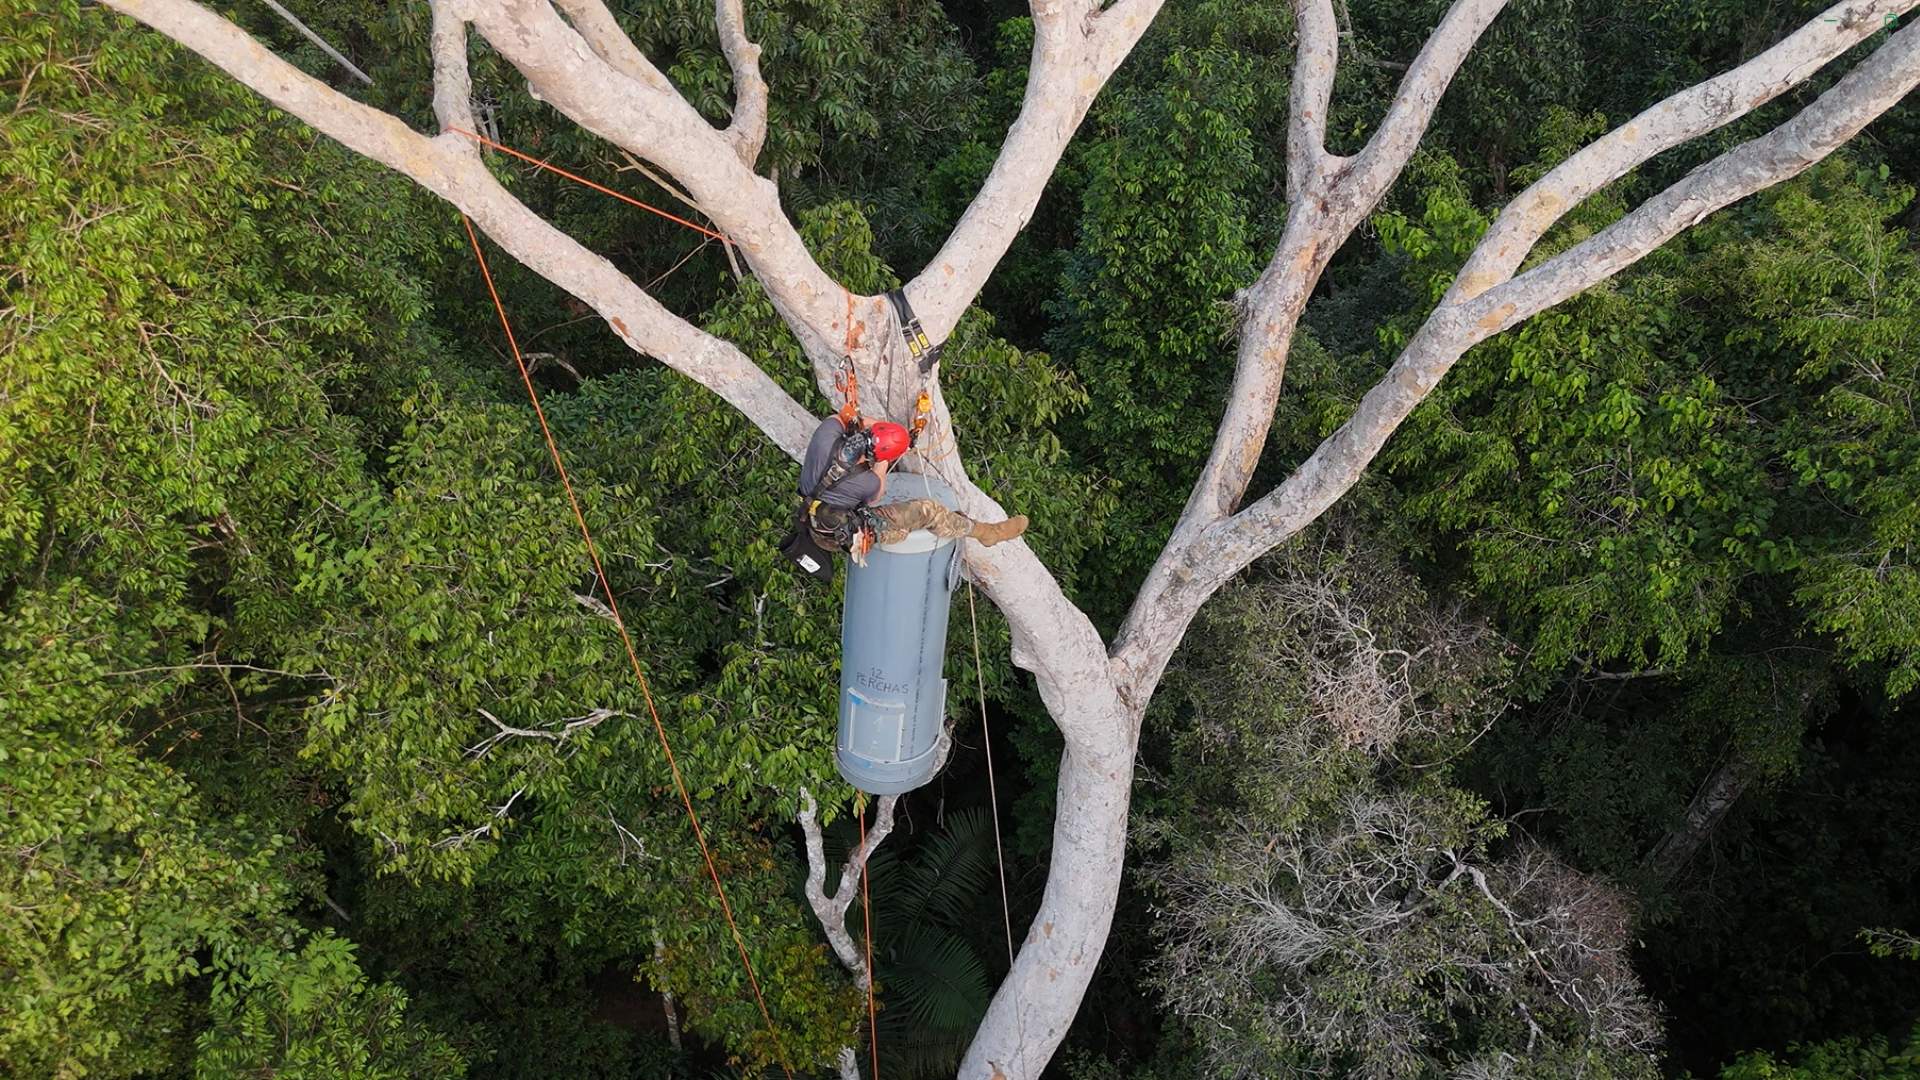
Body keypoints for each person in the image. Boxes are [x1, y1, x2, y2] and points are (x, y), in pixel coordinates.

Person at [798, 413, 1026, 558]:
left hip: (810, 516)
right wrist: (883, 460)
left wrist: (875, 429)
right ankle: (987, 533)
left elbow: (846, 417)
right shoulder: (867, 482)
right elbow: (877, 493)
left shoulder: (826, 433)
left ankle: (944, 524)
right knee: (928, 512)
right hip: (836, 535)